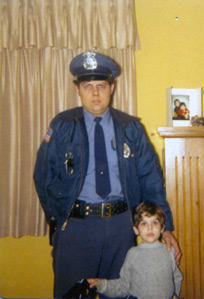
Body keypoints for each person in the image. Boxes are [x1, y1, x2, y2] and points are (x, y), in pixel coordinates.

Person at [33, 51, 181, 298]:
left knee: (120, 293)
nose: (95, 93)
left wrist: (165, 227)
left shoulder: (131, 128)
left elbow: (151, 180)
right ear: (78, 90)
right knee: (73, 293)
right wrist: (60, 221)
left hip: (120, 227)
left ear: (111, 88)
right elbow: (43, 176)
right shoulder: (62, 125)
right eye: (87, 86)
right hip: (76, 228)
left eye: (101, 85)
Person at [87, 202, 183, 299]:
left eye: (155, 222)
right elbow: (123, 285)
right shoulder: (133, 254)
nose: (150, 228)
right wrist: (101, 285)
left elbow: (177, 277)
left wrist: (175, 295)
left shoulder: (169, 251)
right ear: (136, 230)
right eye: (144, 223)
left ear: (162, 228)